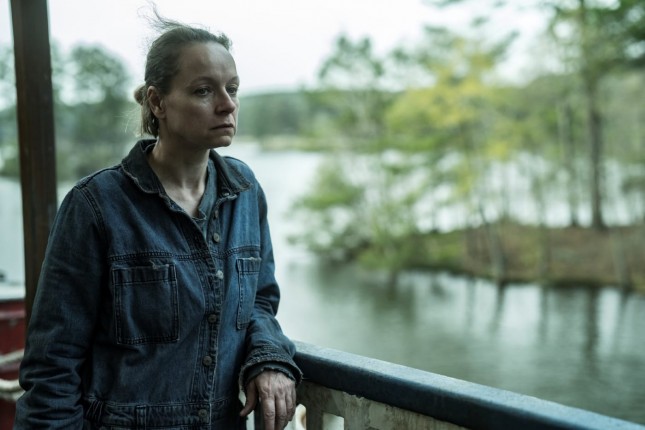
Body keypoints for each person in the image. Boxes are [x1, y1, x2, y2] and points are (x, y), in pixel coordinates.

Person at [14, 12, 301, 430]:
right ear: (157, 102)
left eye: (233, 88)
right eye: (204, 90)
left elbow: (258, 300)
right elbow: (52, 364)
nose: (228, 104)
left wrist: (269, 358)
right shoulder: (96, 205)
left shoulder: (244, 191)